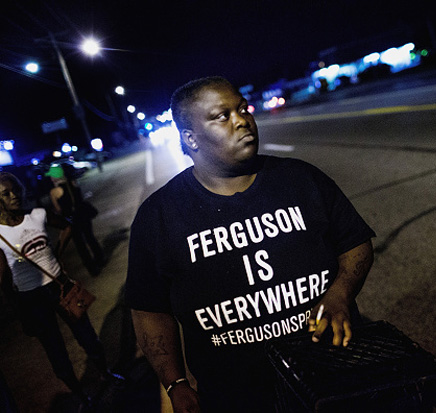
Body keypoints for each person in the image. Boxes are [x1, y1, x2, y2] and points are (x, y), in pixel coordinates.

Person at [125, 76, 376, 412]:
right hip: (237, 397)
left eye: (242, 108)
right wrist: (176, 383)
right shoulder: (159, 216)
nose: (241, 120)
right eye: (221, 116)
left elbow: (355, 244)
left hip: (333, 375)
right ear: (190, 138)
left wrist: (339, 293)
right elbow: (149, 310)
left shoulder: (302, 179)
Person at [0, 172, 122, 408]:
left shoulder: (37, 215)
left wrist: (55, 254)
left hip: (60, 287)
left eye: (15, 189)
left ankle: (106, 374)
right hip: (32, 299)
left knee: (87, 336)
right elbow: (3, 277)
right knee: (56, 352)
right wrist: (18, 309)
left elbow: (67, 226)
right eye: (6, 194)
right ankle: (81, 396)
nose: (14, 196)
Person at [46, 164, 106, 276]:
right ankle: (101, 259)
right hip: (83, 215)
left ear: (55, 177)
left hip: (71, 220)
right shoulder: (73, 183)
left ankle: (92, 268)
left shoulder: (54, 192)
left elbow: (58, 209)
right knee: (90, 237)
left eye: (51, 176)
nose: (50, 178)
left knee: (80, 245)